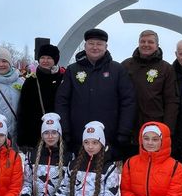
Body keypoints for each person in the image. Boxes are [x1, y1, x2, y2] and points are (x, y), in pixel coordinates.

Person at [55, 28, 136, 159]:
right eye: (91, 43)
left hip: (110, 138)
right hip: (78, 139)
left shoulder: (117, 70)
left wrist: (124, 132)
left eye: (99, 44)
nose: (95, 47)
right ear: (85, 45)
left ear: (106, 47)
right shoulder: (73, 70)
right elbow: (62, 101)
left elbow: (128, 101)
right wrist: (65, 130)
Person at [13, 112, 71, 196]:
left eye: (54, 133)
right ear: (42, 135)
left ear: (59, 134)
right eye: (46, 133)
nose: (50, 137)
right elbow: (27, 181)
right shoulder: (32, 155)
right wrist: (25, 195)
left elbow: (67, 187)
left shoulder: (69, 157)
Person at [122, 30, 179, 157]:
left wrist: (167, 130)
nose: (146, 44)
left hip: (154, 129)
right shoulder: (126, 65)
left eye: (150, 42)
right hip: (130, 129)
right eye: (143, 41)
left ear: (157, 45)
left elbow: (172, 101)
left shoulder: (166, 68)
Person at [16, 44, 63, 150]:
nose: (45, 61)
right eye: (42, 57)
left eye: (49, 58)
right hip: (35, 135)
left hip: (59, 134)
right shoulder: (31, 81)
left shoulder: (63, 79)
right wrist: (23, 139)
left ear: (55, 60)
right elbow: (23, 110)